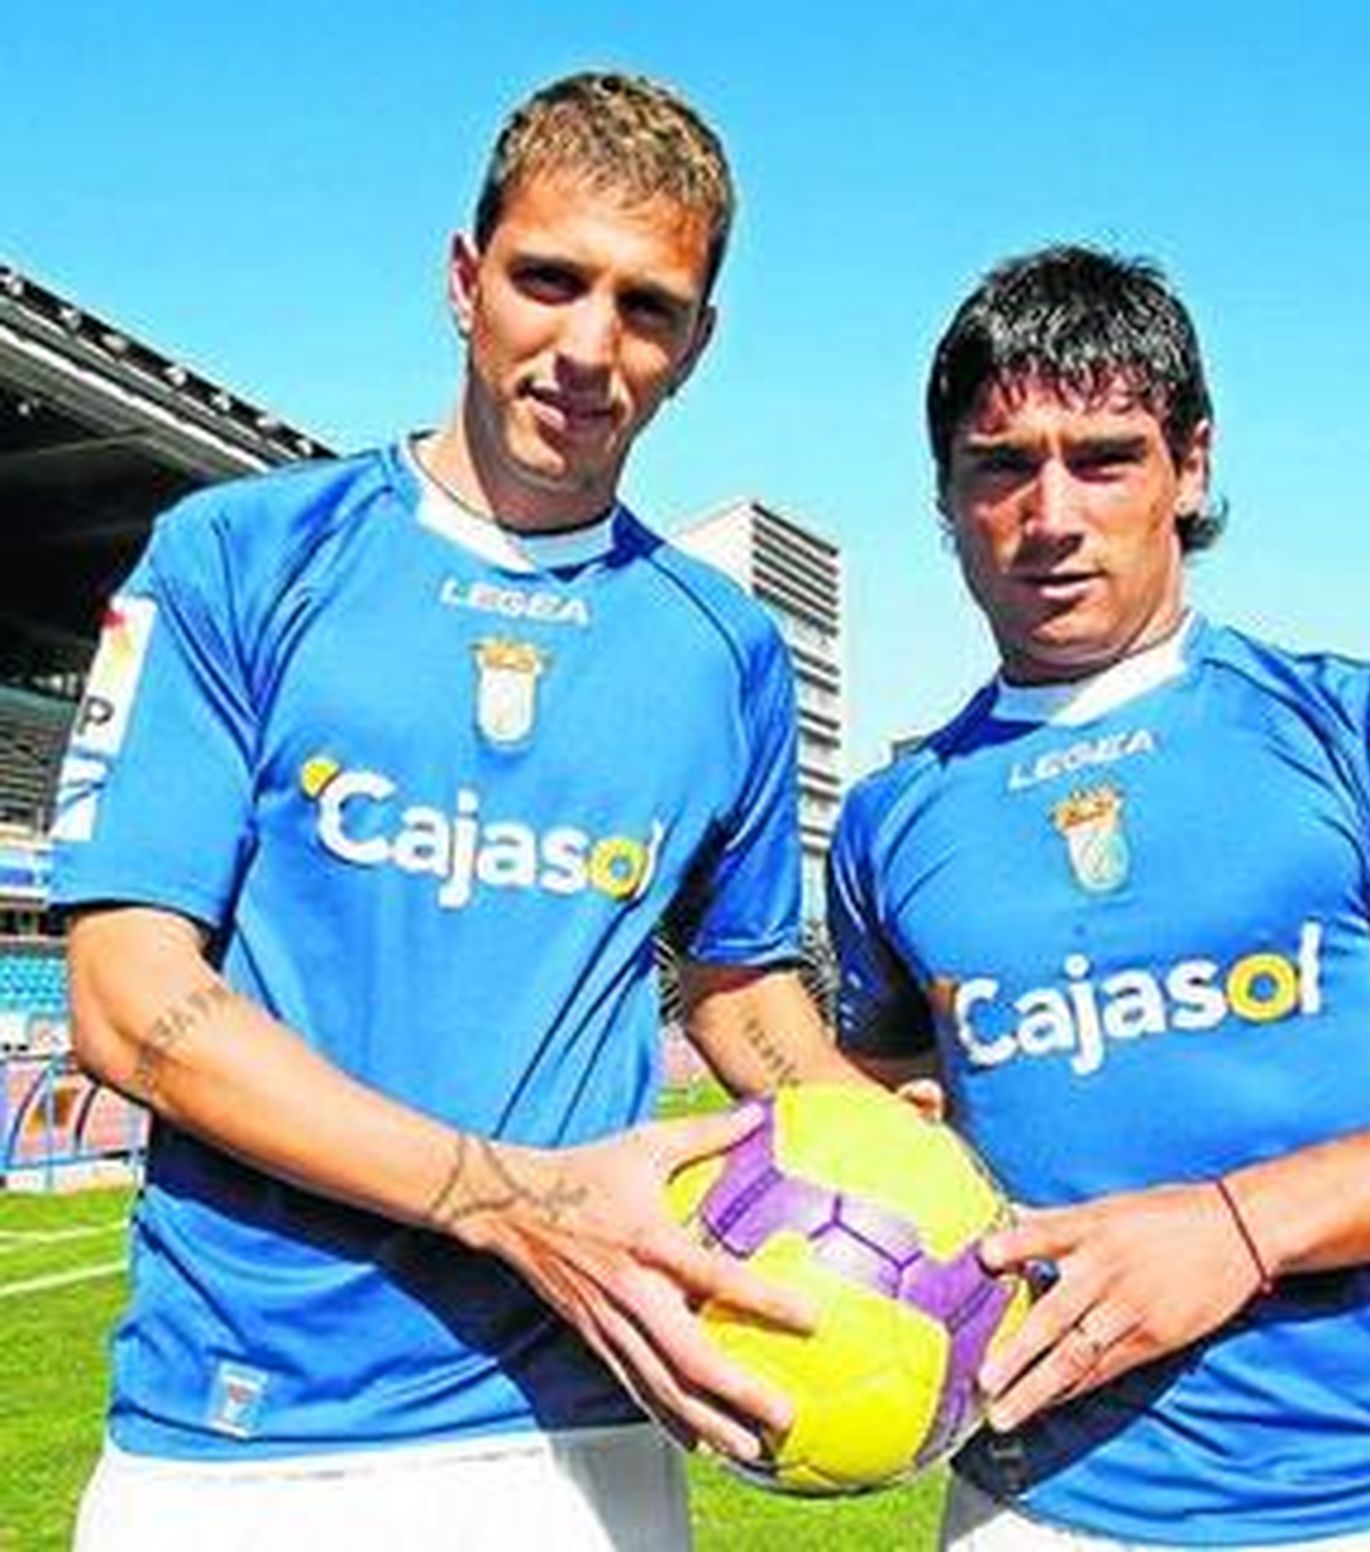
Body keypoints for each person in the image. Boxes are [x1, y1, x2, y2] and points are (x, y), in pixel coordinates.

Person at [52, 71, 858, 1551]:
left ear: (699, 341)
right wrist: (513, 1199)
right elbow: (125, 1001)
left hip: (580, 1423)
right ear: (464, 278)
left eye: (649, 306)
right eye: (549, 280)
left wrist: (876, 1135)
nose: (588, 347)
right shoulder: (239, 558)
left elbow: (739, 994)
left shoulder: (722, 652)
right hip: (239, 1435)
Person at [827, 244, 1370, 1549]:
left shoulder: (1361, 727)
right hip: (1032, 1508)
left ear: (1190, 466)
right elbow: (880, 1125)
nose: (1051, 511)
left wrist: (1238, 1229)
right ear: (948, 498)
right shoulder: (891, 820)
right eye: (1002, 465)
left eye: (1105, 456)